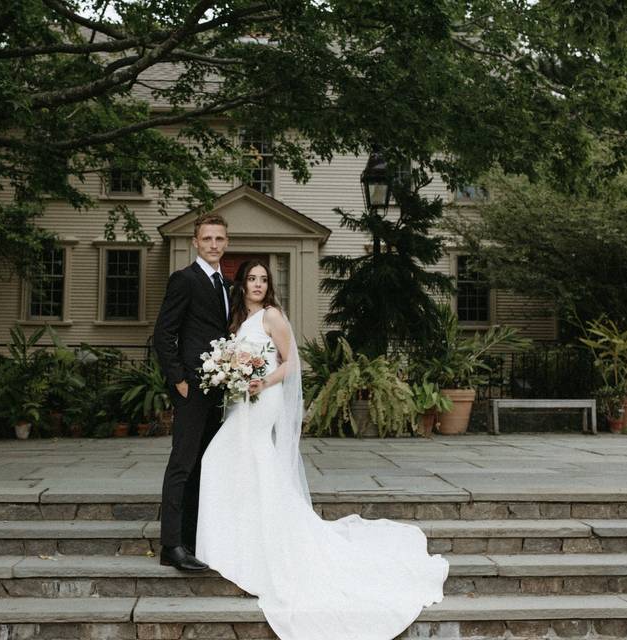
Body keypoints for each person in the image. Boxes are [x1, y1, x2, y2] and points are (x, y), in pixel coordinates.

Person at [196, 259, 449, 640]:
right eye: (252, 278)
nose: (258, 284)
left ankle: (251, 542)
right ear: (242, 282)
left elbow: (292, 362)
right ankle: (238, 540)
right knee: (235, 463)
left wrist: (262, 382)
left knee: (226, 458)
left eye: (264, 279)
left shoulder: (272, 317)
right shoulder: (237, 320)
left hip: (263, 399)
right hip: (241, 399)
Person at [152, 213, 231, 572]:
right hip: (191, 389)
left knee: (205, 465)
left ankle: (192, 539)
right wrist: (178, 380)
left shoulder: (226, 286)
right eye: (207, 238)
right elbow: (164, 334)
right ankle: (171, 545)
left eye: (219, 238)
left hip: (218, 391)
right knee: (182, 465)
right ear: (196, 243)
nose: (214, 244)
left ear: (225, 243)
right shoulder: (183, 280)